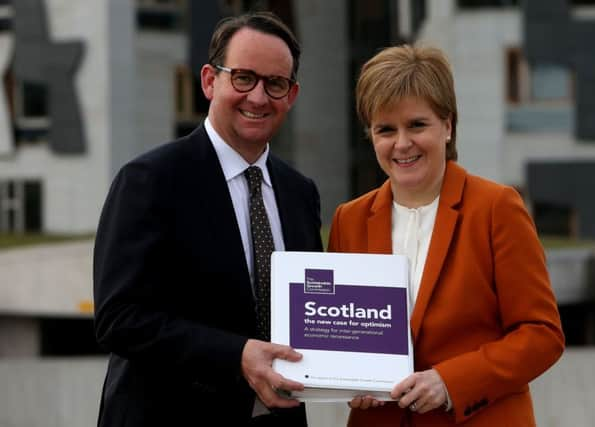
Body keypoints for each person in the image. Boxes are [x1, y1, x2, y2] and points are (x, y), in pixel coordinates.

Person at [93, 12, 322, 427]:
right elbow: (118, 318)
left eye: (275, 84)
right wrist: (236, 355)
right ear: (209, 81)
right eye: (243, 77)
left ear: (291, 95)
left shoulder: (299, 192)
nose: (258, 97)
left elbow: (310, 312)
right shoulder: (150, 180)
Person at [327, 45, 564, 426]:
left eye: (417, 125)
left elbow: (542, 335)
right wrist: (343, 380)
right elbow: (341, 338)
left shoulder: (496, 208)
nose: (401, 143)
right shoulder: (349, 220)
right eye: (385, 129)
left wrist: (450, 382)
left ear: (448, 125)